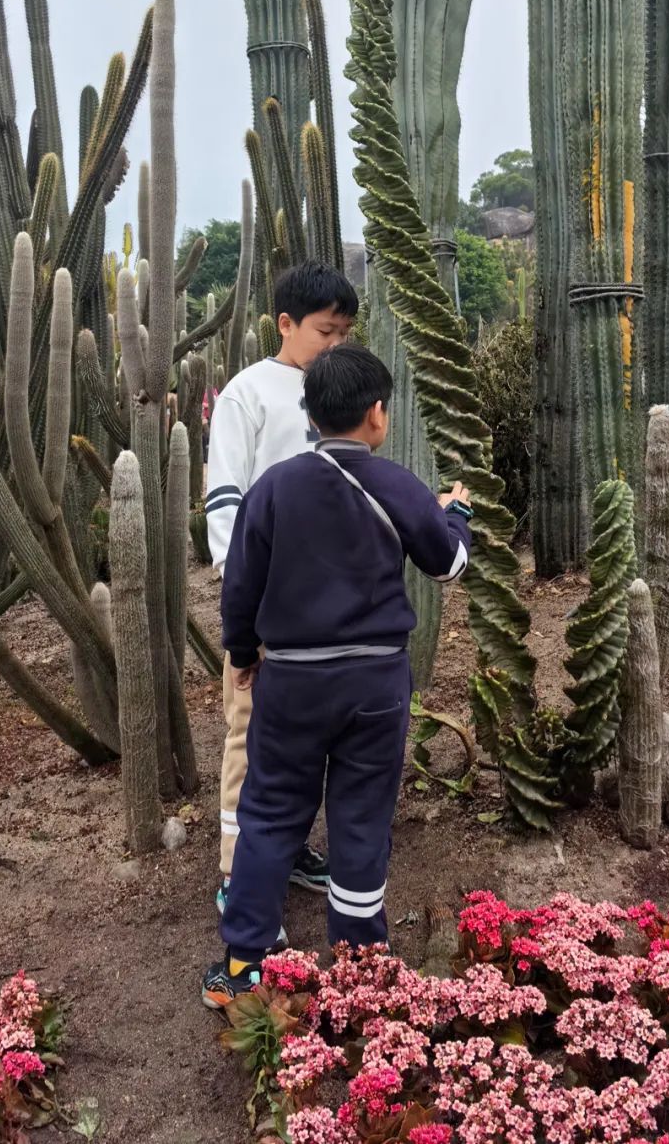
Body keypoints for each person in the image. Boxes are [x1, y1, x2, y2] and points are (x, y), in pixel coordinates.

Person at [202, 344, 472, 1007]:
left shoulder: (273, 488)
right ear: (377, 414)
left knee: (271, 814)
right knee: (361, 818)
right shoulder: (398, 485)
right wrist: (456, 514)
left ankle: (243, 965)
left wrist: (242, 653)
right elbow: (448, 565)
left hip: (292, 684)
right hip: (376, 688)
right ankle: (361, 964)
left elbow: (240, 586)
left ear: (309, 414)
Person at [206, 260, 358, 927]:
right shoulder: (249, 394)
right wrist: (248, 600)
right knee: (251, 734)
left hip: (329, 608)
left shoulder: (339, 395)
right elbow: (225, 503)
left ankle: (287, 848)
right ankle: (235, 868)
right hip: (269, 606)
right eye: (326, 331)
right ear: (286, 323)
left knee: (302, 743)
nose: (335, 344)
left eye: (344, 333)